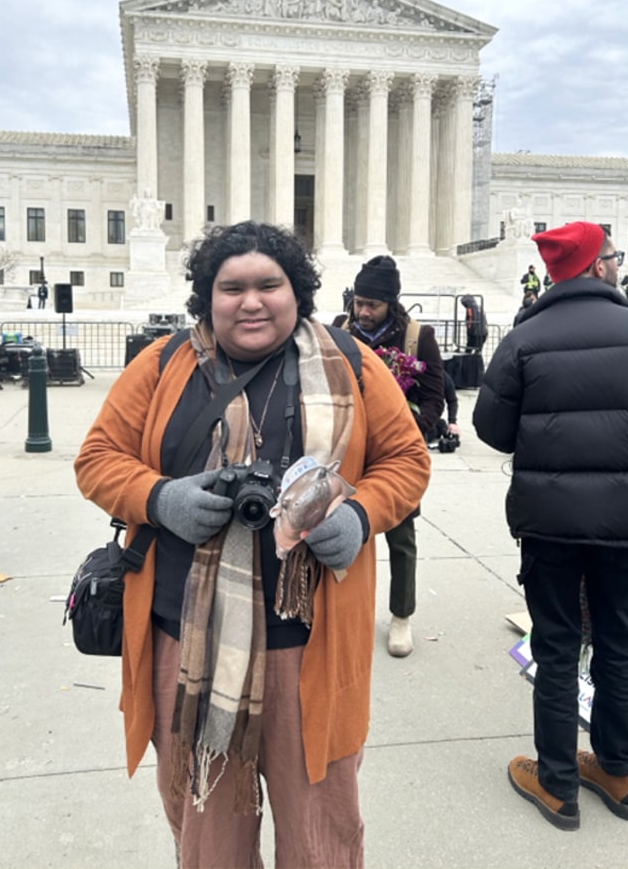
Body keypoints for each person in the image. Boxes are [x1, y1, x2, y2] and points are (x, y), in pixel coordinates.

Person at [74, 222, 430, 868]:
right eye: (230, 287)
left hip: (310, 645)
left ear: (298, 290)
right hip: (191, 643)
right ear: (205, 297)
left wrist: (359, 515)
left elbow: (406, 460)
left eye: (270, 284)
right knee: (209, 842)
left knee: (319, 832)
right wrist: (160, 499)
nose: (251, 300)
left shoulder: (350, 363)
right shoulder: (162, 364)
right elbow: (97, 458)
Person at [473, 221, 628, 832]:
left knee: (556, 650)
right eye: (613, 256)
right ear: (598, 267)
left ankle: (557, 785)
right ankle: (619, 773)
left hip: (550, 524)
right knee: (621, 645)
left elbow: (491, 429)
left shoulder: (526, 338)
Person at [336, 256, 443, 657]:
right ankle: (340, 613)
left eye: (372, 305)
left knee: (401, 539)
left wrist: (404, 434)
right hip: (343, 454)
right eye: (359, 302)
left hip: (393, 459)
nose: (363, 312)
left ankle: (401, 616)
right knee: (336, 534)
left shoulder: (417, 338)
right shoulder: (339, 330)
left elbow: (433, 399)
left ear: (391, 304)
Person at [424, 370, 459, 449]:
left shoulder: (443, 376)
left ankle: (440, 426)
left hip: (431, 415)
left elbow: (452, 400)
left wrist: (452, 422)